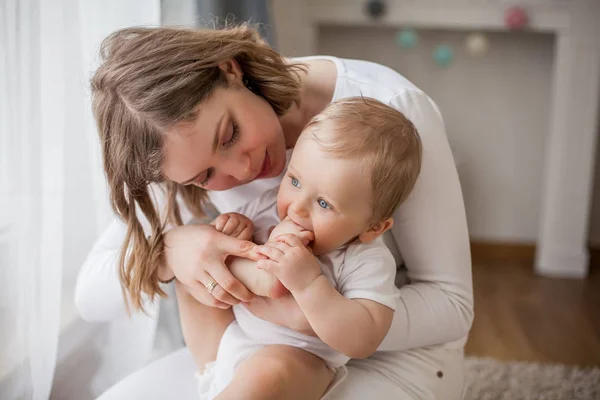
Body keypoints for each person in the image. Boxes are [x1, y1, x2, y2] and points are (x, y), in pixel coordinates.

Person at [76, 24, 473, 399]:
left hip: (393, 352)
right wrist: (168, 251)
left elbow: (452, 305)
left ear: (229, 69)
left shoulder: (388, 114)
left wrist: (317, 314)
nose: (242, 170)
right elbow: (90, 296)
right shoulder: (173, 153)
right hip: (250, 343)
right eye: (205, 175)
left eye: (230, 134)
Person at [184, 97, 422, 399]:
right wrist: (234, 228)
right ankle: (215, 377)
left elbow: (364, 339)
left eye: (324, 203)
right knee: (192, 278)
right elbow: (223, 254)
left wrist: (310, 285)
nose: (297, 208)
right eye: (294, 181)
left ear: (372, 227)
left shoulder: (365, 259)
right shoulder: (269, 205)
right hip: (226, 340)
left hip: (298, 359)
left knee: (270, 374)